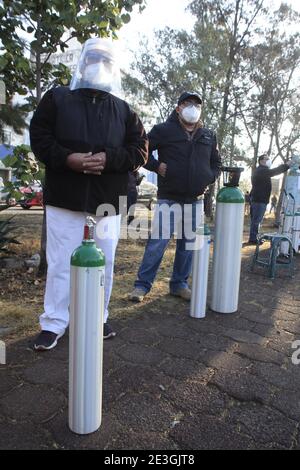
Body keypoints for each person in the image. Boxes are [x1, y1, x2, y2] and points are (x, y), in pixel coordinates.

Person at [29, 37, 148, 350]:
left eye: (105, 59)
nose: (98, 64)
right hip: (64, 199)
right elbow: (39, 139)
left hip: (108, 200)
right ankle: (54, 322)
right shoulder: (57, 99)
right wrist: (68, 158)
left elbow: (139, 151)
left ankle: (98, 316)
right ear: (81, 62)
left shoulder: (124, 110)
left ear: (113, 67)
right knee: (59, 264)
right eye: (92, 57)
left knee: (104, 262)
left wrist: (110, 159)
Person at [129, 91, 222, 302]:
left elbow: (216, 163)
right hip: (168, 197)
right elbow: (142, 151)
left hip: (195, 200)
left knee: (188, 245)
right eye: (188, 103)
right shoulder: (163, 130)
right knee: (158, 243)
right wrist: (155, 165)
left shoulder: (208, 134)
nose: (193, 108)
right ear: (178, 107)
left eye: (197, 105)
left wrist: (209, 177)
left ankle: (179, 284)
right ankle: (142, 286)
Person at [248, 154, 290, 244]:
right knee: (257, 220)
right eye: (267, 159)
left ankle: (254, 237)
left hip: (257, 199)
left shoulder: (260, 170)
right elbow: (275, 171)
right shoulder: (262, 170)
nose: (269, 160)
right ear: (261, 161)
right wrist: (286, 165)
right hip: (259, 199)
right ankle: (253, 239)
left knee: (256, 220)